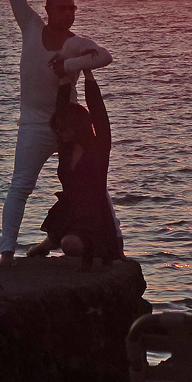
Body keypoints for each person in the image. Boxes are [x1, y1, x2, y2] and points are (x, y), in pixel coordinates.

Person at [0, 0, 113, 267]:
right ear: (48, 9)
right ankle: (6, 255)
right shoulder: (30, 26)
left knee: (90, 185)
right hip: (34, 125)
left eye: (72, 8)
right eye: (62, 8)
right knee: (20, 187)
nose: (68, 13)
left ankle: (104, 240)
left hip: (69, 126)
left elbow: (105, 56)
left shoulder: (75, 43)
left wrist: (69, 63)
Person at [29, 69, 121, 269]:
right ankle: (52, 239)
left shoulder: (99, 148)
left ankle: (58, 241)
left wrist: (88, 76)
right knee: (52, 245)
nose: (59, 133)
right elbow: (60, 107)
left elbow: (99, 114)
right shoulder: (66, 149)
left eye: (63, 128)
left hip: (93, 214)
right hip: (68, 209)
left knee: (70, 245)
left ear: (76, 126)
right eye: (58, 129)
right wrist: (64, 79)